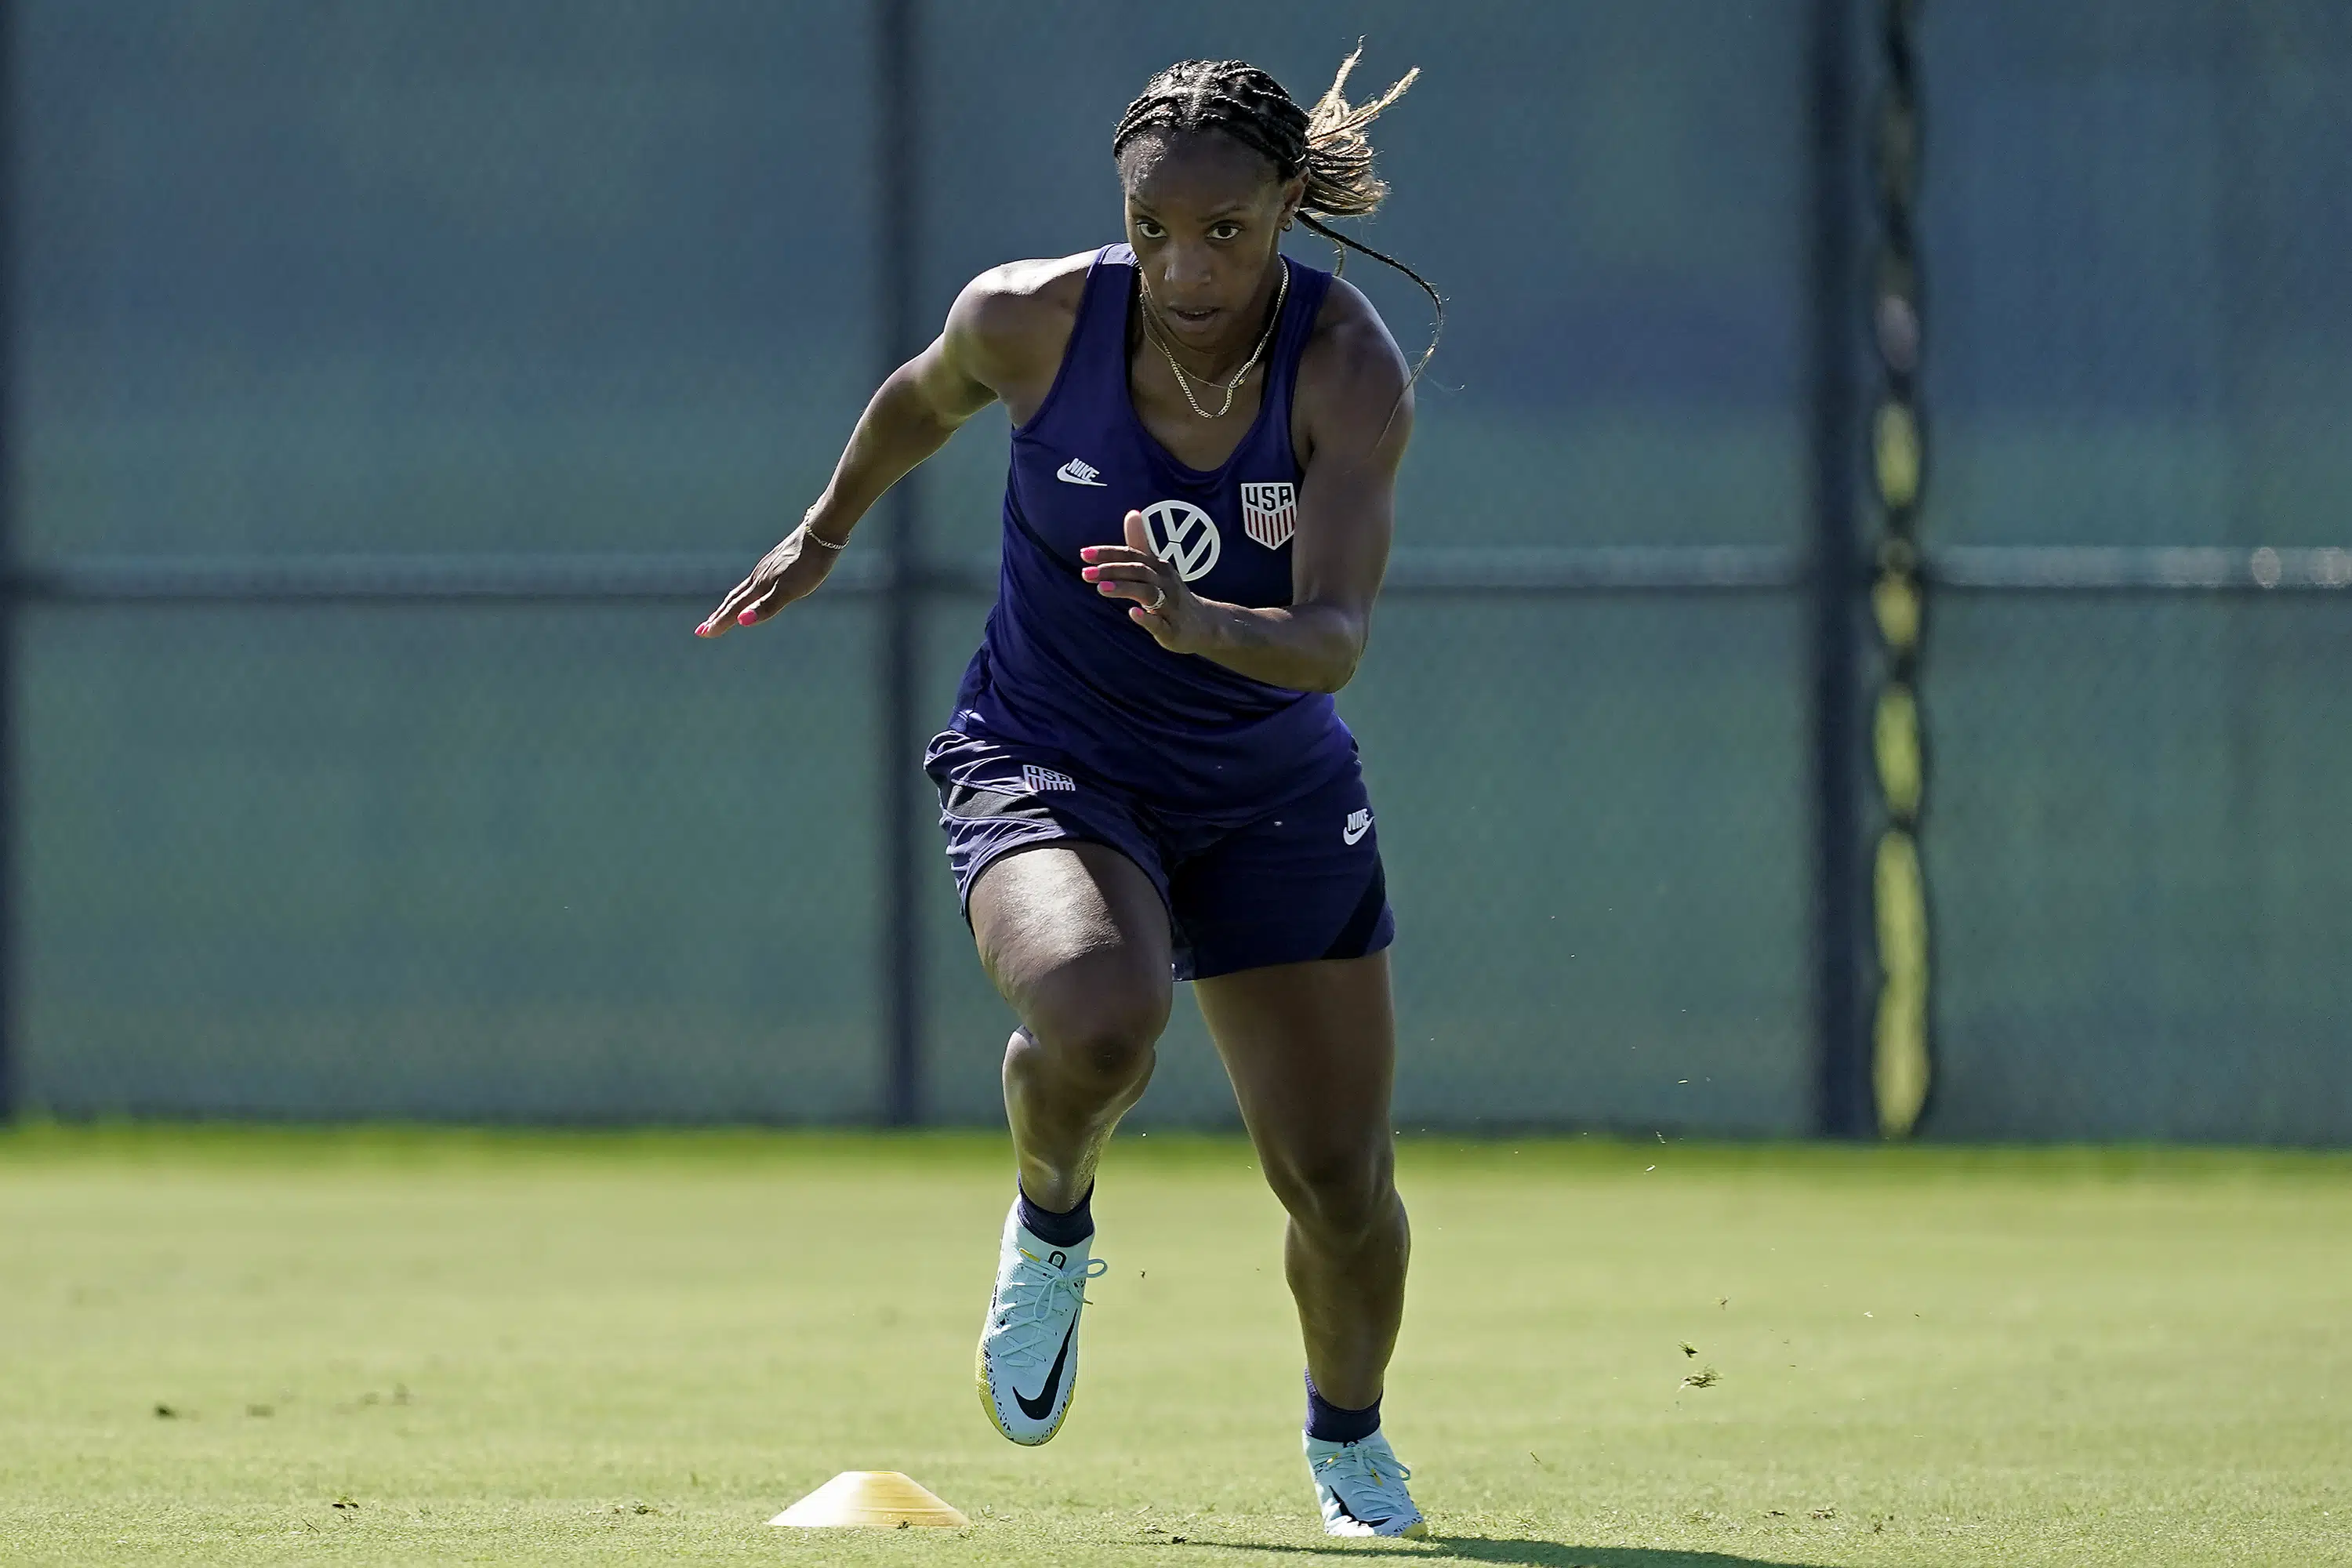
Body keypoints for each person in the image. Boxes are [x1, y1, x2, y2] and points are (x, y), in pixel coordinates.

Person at [698, 49, 1439, 1539]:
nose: (1183, 264)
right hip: (1053, 752)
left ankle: (1348, 1440)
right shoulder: (1029, 317)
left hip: (1268, 789)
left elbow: (1336, 640)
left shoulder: (1346, 366)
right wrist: (823, 531)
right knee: (1101, 1019)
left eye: (1224, 232)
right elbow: (922, 398)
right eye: (1152, 226)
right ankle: (1051, 1225)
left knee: (1341, 1188)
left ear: (1288, 207)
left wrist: (1201, 623)